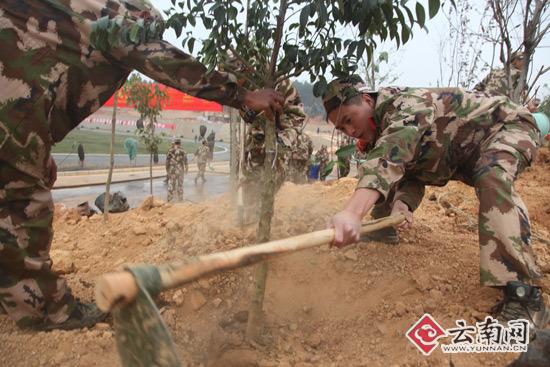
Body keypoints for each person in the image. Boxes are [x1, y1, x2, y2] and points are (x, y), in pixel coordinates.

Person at [0, 0, 283, 331]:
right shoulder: (120, 18)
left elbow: (35, 67)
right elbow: (163, 61)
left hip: (16, 110)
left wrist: (39, 147)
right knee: (23, 207)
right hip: (13, 114)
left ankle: (12, 292)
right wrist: (242, 95)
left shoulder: (58, 13)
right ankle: (46, 309)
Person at [323, 76, 548, 330]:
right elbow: (411, 172)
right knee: (388, 171)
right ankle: (383, 228)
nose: (350, 132)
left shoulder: (407, 104)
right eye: (341, 129)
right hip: (466, 153)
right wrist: (403, 205)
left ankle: (525, 298)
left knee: (492, 177)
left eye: (349, 120)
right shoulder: (378, 130)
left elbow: (393, 150)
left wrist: (353, 212)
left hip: (508, 127)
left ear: (366, 100)